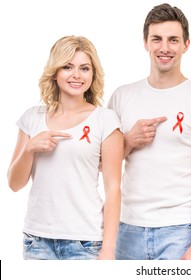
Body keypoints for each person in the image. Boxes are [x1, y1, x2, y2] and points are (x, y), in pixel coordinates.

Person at [108, 3, 191, 260]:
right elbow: (103, 167)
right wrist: (127, 141)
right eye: (156, 39)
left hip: (180, 230)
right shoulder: (121, 97)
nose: (164, 48)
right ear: (145, 43)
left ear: (186, 44)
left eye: (173, 40)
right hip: (127, 228)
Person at [7, 36, 123, 260]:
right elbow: (14, 184)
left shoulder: (105, 120)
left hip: (86, 242)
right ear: (55, 72)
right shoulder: (32, 118)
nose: (76, 75)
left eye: (84, 68)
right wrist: (29, 149)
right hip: (37, 241)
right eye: (68, 67)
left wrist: (109, 248)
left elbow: (113, 189)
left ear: (93, 74)